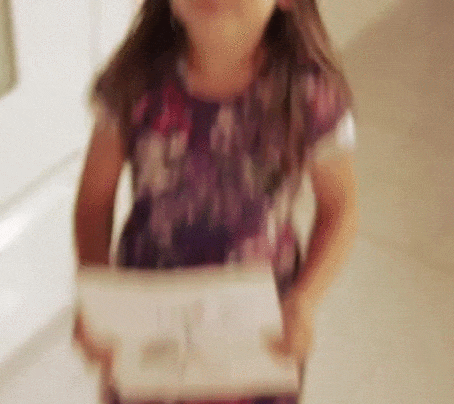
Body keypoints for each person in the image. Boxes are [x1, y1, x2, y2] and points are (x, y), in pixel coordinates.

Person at [73, 0, 359, 403]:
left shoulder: (311, 95)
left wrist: (305, 301)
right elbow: (93, 201)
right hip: (149, 317)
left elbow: (340, 208)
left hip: (259, 328)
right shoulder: (132, 84)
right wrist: (97, 297)